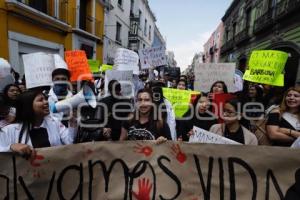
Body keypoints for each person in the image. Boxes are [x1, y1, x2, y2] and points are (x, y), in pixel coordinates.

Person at [0, 90, 77, 155]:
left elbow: (69, 141)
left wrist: (73, 123)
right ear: (28, 105)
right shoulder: (9, 130)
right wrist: (11, 147)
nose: (46, 102)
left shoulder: (54, 122)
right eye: (41, 100)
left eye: (45, 99)